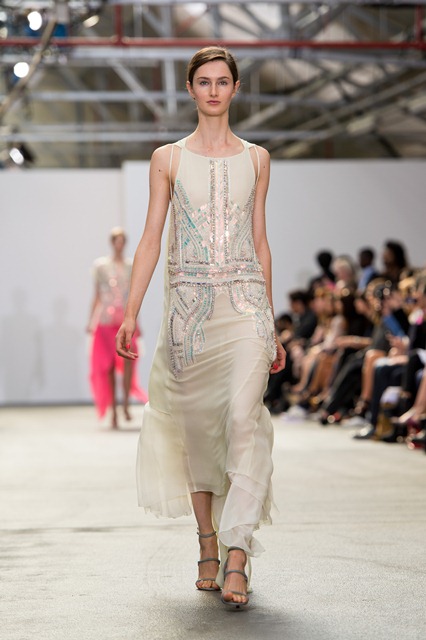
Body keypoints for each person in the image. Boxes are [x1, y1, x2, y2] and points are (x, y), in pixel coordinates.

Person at [115, 47, 286, 609]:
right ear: (190, 89)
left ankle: (237, 549)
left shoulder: (258, 158)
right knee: (196, 435)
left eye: (223, 81)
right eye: (204, 82)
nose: (214, 90)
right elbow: (150, 238)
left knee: (242, 419)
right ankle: (207, 540)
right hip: (187, 311)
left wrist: (271, 321)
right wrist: (131, 311)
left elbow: (260, 241)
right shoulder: (166, 158)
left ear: (236, 88)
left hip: (245, 306)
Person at [87, 227, 148, 429]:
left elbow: (133, 297)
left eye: (122, 241)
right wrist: (91, 321)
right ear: (112, 243)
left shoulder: (131, 267)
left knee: (129, 361)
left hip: (125, 320)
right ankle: (114, 410)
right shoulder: (101, 266)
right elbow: (97, 295)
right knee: (109, 367)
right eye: (116, 240)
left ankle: (126, 405)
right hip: (106, 321)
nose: (119, 244)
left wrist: (137, 322)